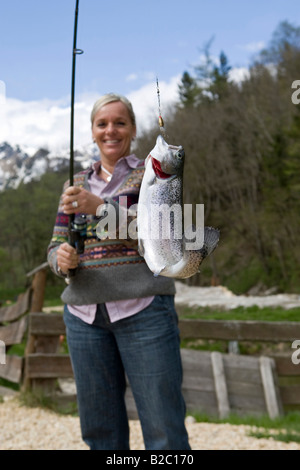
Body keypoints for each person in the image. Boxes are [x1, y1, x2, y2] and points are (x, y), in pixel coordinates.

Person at [47, 93, 190, 451]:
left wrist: (100, 208)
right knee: (100, 434)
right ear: (93, 132)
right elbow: (55, 244)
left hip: (145, 312)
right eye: (102, 123)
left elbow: (160, 240)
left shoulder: (155, 173)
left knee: (163, 430)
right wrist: (60, 259)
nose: (111, 130)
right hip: (82, 316)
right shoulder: (74, 183)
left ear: (133, 129)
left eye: (119, 122)